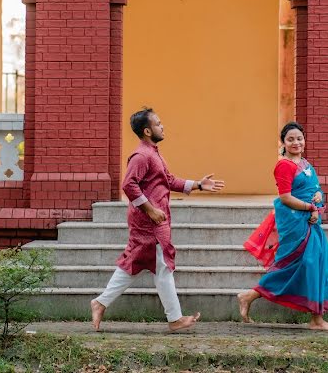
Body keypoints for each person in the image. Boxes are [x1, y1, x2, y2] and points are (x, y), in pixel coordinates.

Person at [90, 107, 226, 332]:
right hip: (149, 222)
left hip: (155, 219)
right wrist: (150, 210)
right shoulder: (142, 156)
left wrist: (198, 184)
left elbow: (168, 180)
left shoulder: (153, 153)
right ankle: (174, 318)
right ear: (147, 130)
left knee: (137, 264)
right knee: (162, 265)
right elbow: (128, 185)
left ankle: (101, 302)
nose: (162, 126)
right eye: (158, 123)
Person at [237, 121, 328, 331]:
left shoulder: (306, 165)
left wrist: (318, 198)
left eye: (299, 138)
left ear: (304, 140)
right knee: (295, 266)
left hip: (311, 222)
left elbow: (315, 188)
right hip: (295, 224)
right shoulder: (284, 165)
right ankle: (315, 319)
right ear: (283, 142)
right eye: (291, 139)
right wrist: (310, 207)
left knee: (319, 264)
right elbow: (285, 197)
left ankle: (315, 319)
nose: (296, 142)